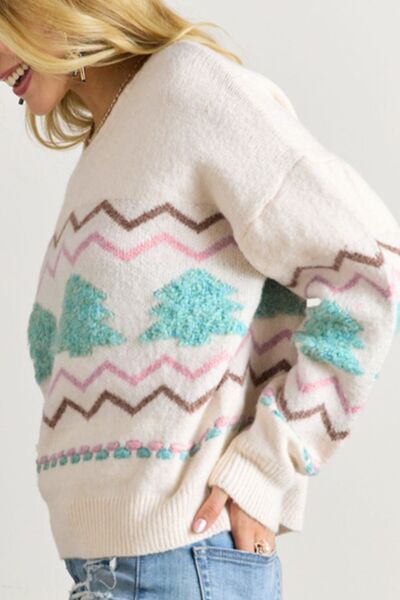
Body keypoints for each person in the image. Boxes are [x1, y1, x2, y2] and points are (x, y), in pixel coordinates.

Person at [2, 1, 399, 599]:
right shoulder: (110, 139)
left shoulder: (190, 89)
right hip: (113, 570)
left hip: (179, 563)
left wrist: (265, 471)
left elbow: (370, 266)